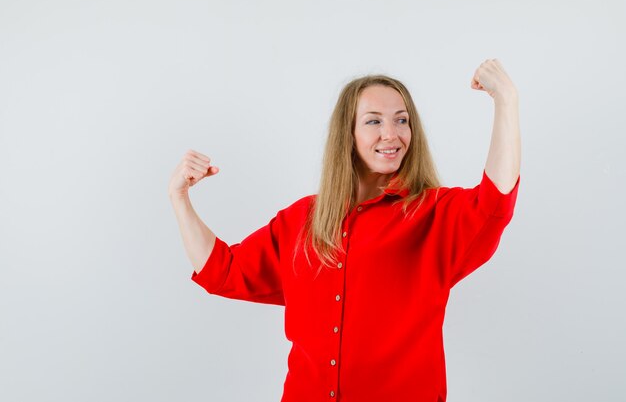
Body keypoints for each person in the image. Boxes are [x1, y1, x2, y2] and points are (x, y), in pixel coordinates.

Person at [168, 58, 521, 402]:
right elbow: (223, 271)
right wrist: (179, 197)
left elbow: (496, 202)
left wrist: (506, 100)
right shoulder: (301, 220)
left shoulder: (431, 214)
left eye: (402, 120)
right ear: (347, 134)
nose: (391, 133)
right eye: (373, 121)